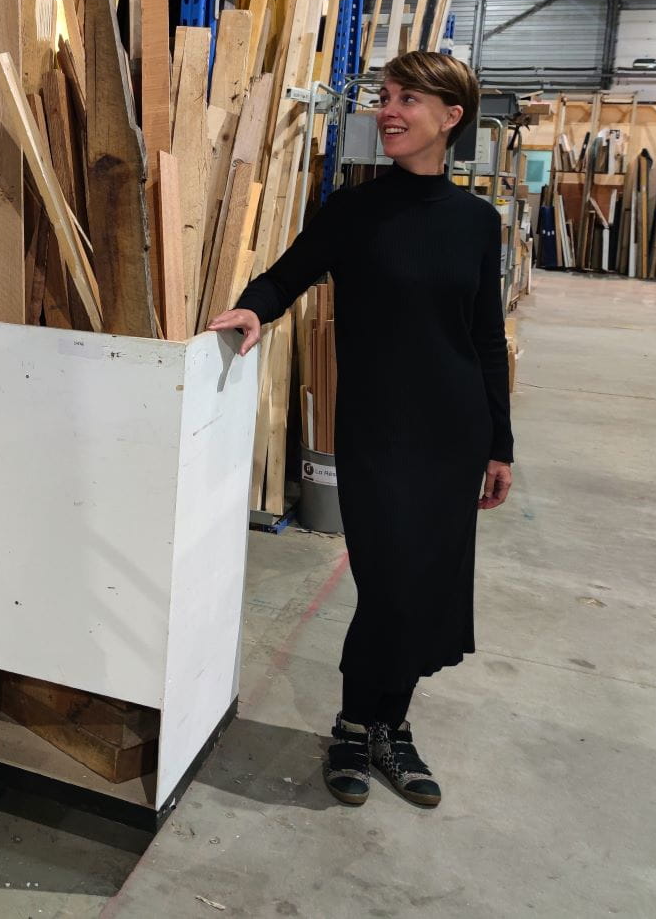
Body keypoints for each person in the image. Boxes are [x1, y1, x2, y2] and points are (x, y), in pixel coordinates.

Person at [208, 51, 513, 809]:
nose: (388, 111)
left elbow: (484, 336)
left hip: (454, 433)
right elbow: (286, 275)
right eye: (386, 97)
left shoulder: (477, 222)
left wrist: (499, 443)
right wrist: (253, 309)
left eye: (409, 99)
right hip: (377, 431)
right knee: (388, 586)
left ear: (451, 117)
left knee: (425, 586)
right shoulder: (354, 209)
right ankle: (354, 726)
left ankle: (388, 728)